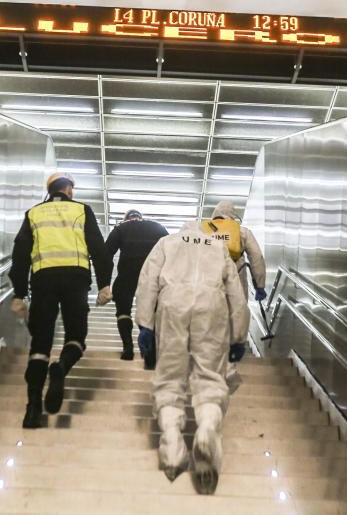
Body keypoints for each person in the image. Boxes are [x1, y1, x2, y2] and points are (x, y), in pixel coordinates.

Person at [135, 221, 249, 494]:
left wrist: (145, 325)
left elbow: (148, 281)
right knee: (210, 377)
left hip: (172, 304)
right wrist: (239, 335)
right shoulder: (218, 246)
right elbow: (235, 291)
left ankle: (173, 448)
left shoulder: (166, 243)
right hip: (212, 306)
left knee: (170, 379)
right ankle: (208, 429)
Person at [9, 171, 112, 429]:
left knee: (40, 343)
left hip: (43, 281)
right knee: (76, 336)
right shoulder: (81, 210)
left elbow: (19, 256)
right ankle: (62, 367)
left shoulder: (34, 213)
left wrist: (19, 294)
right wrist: (104, 285)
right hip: (75, 280)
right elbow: (99, 250)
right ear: (68, 189)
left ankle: (32, 409)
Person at [201, 200, 267, 395]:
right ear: (233, 214)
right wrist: (260, 284)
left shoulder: (203, 229)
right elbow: (256, 258)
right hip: (235, 279)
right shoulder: (241, 231)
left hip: (208, 281)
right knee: (235, 315)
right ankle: (230, 359)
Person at [104, 209, 168, 360]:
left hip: (127, 274)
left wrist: (105, 284)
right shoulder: (156, 227)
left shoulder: (121, 228)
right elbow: (172, 249)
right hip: (151, 274)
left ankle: (128, 348)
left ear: (126, 218)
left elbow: (106, 254)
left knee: (123, 310)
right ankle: (150, 351)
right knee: (151, 311)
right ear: (141, 218)